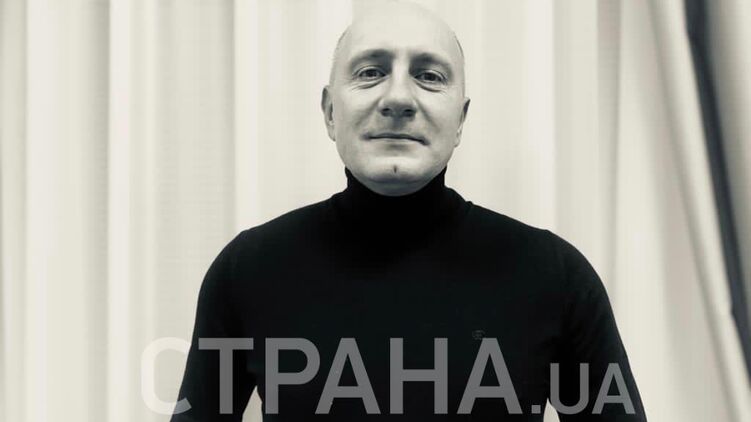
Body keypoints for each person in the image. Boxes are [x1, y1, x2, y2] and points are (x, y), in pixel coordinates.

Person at [171, 1, 648, 421]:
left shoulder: (555, 276)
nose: (398, 98)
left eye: (429, 76)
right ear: (330, 112)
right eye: (369, 72)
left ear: (460, 120)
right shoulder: (248, 270)